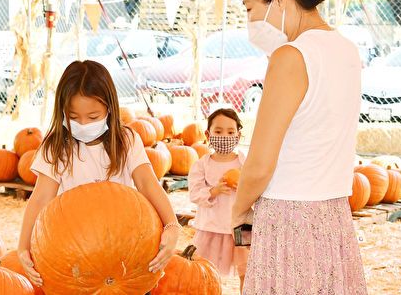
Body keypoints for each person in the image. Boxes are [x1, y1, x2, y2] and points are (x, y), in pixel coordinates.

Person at [231, 0, 368, 293]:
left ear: (278, 0)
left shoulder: (291, 57)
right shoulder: (346, 49)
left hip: (289, 222)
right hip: (334, 218)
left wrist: (237, 213)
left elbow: (260, 164)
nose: (248, 20)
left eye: (248, 8)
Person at [15, 60, 180, 290]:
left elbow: (148, 184)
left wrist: (172, 226)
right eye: (73, 117)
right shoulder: (55, 147)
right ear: (61, 111)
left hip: (127, 252)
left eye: (93, 117)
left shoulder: (126, 141)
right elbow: (41, 198)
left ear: (109, 109)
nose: (83, 123)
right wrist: (23, 247)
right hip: (75, 255)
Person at [188, 108, 249, 289]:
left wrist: (245, 188)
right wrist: (213, 191)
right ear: (208, 134)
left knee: (246, 271)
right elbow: (195, 192)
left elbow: (257, 185)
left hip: (240, 226)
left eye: (230, 132)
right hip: (212, 227)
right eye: (218, 131)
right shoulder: (202, 165)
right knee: (206, 272)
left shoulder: (244, 162)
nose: (225, 136)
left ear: (238, 135)